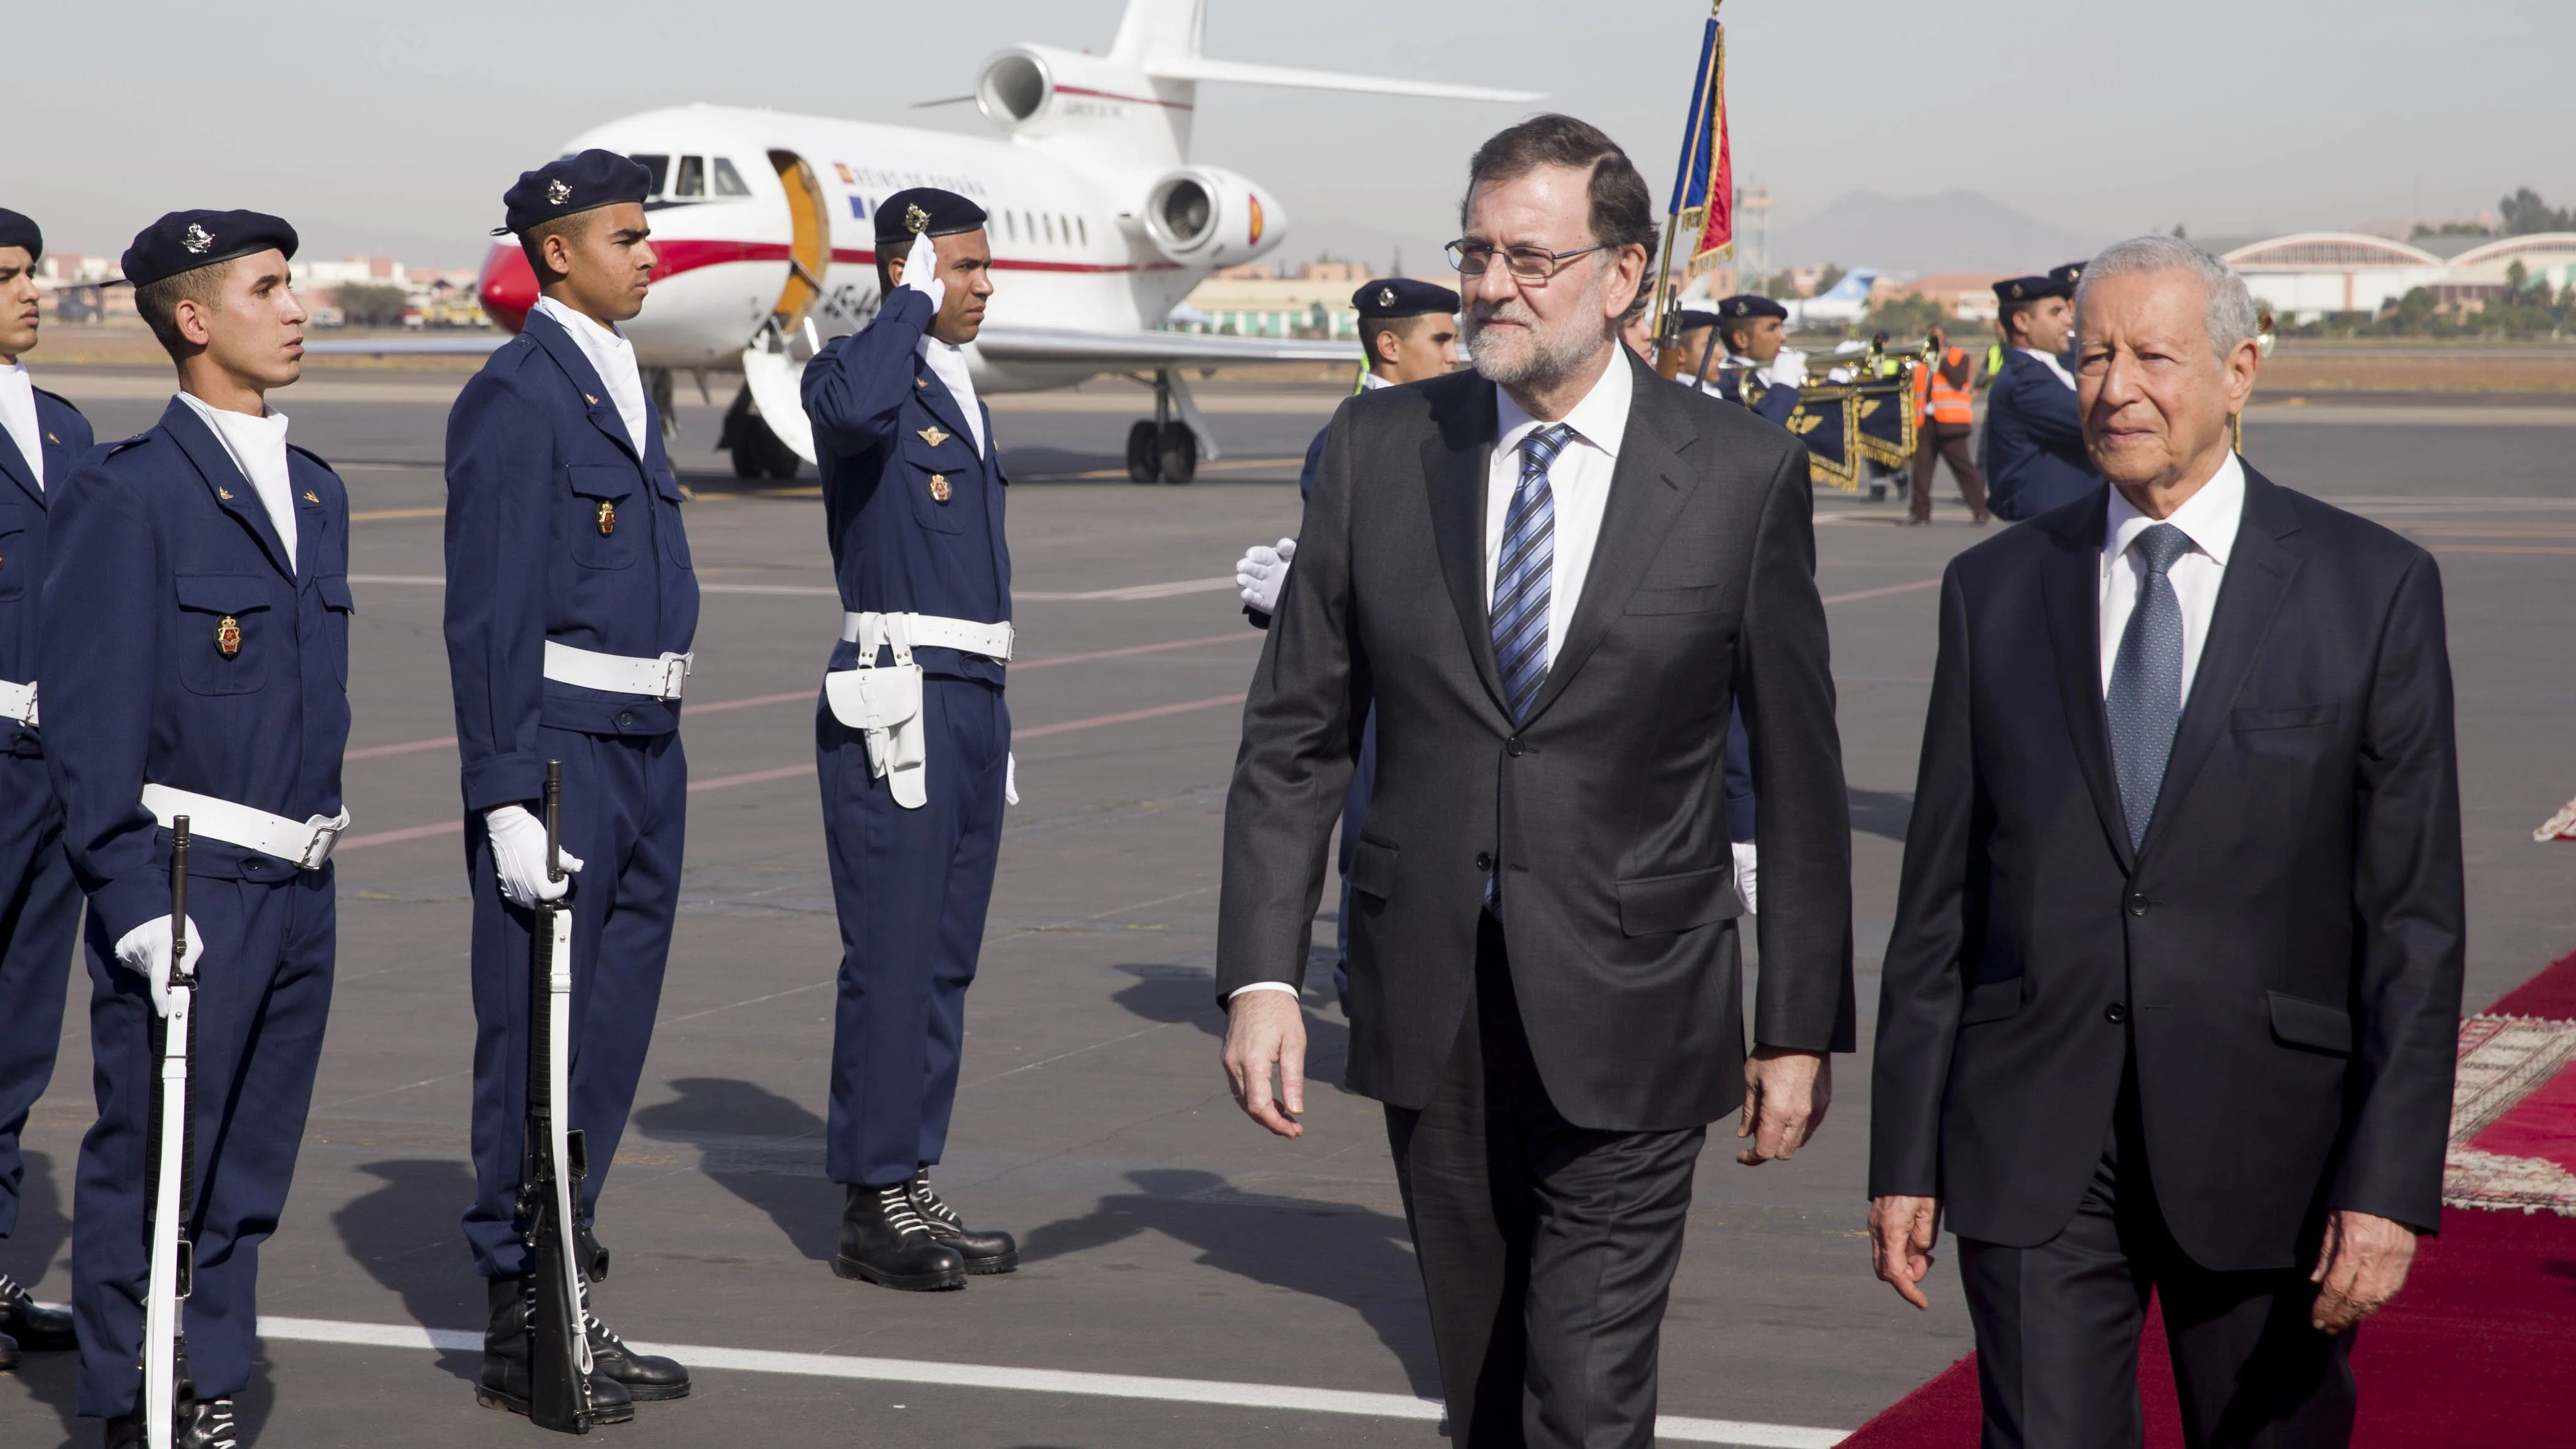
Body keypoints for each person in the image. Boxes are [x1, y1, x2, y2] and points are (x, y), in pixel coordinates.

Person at [1219, 114, 1854, 1448]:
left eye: (1528, 256)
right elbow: (1296, 730)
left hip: (1639, 996)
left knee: (1584, 1381)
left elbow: (1797, 772)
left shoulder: (1738, 474)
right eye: (1474, 251)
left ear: (1620, 275)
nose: (1489, 285)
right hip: (1427, 993)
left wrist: (1794, 1019)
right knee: (1484, 1375)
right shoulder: (1379, 452)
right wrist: (1262, 972)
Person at [1868, 236, 2464, 1448]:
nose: (2112, 386)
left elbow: (2411, 920)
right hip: (2034, 1138)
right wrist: (1904, 1148)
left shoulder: (2369, 588)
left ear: (2238, 371)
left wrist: (2385, 1182)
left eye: (2151, 355)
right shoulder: (1995, 589)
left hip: (2273, 1149)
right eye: (2090, 355)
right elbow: (1937, 895)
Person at [43, 210, 351, 1447]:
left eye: (294, 285)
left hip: (298, 876)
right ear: (193, 316)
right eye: (268, 287)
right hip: (189, 875)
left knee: (247, 1167)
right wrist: (127, 902)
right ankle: (131, 1395)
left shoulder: (316, 488)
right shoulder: (131, 495)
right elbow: (92, 718)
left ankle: (207, 1369)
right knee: (155, 1156)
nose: (297, 307)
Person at [443, 150, 695, 1419]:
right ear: (555, 252)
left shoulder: (619, 378)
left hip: (650, 749)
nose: (653, 253)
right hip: (561, 756)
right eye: (629, 236)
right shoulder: (519, 394)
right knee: (535, 1039)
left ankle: (570, 1278)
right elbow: (488, 613)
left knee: (607, 1036)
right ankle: (521, 1313)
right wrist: (500, 791)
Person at [799, 186, 1021, 1293]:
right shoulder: (857, 371)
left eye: (984, 268)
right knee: (890, 955)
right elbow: (842, 421)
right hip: (900, 699)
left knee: (941, 960)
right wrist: (906, 307)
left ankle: (910, 1172)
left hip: (973, 691)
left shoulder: (959, 389)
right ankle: (870, 1197)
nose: (985, 285)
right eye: (965, 267)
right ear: (911, 270)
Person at [1232, 278, 1460, 1010]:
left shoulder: (1440, 421)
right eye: (1441, 340)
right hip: (1379, 682)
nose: (1455, 356)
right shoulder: (1354, 434)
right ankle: (1366, 1000)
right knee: (1373, 845)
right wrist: (1299, 602)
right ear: (1389, 345)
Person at [0, 208, 85, 1371]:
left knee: (20, 1035)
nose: (27, 293)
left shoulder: (62, 429)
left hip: (47, 768)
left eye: (31, 275)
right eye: (6, 278)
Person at [1979, 271, 2101, 521]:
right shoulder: (2025, 381)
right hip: (2050, 524)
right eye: (2056, 313)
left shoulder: (2054, 367)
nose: (2069, 321)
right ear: (2022, 322)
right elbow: (2097, 422)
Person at [1905, 323, 1988, 525]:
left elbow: (1958, 381)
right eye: (1931, 338)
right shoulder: (1922, 361)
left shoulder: (1958, 356)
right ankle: (1920, 512)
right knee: (1921, 470)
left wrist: (1941, 359)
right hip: (1925, 420)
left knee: (1963, 468)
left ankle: (1980, 510)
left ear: (1945, 339)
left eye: (1938, 338)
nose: (1934, 342)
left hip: (1951, 422)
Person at [1677, 294, 1803, 426]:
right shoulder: (1730, 384)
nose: (1721, 355)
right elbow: (1756, 435)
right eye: (1772, 328)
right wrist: (1783, 388)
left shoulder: (1714, 387)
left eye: (1718, 343)